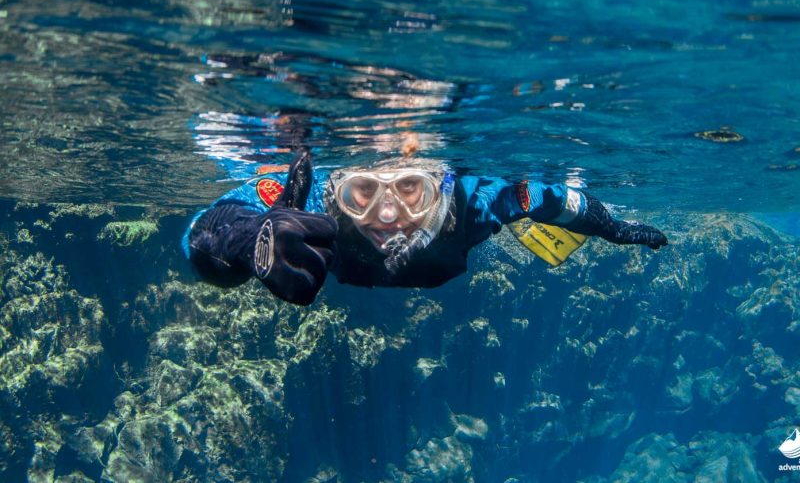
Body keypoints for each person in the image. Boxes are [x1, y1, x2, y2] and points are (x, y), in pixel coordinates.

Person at [183, 149, 667, 306]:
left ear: (441, 184)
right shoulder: (307, 201)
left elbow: (557, 202)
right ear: (336, 192)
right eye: (363, 193)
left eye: (411, 187)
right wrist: (245, 241)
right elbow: (202, 231)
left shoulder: (476, 201)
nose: (388, 215)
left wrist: (614, 228)